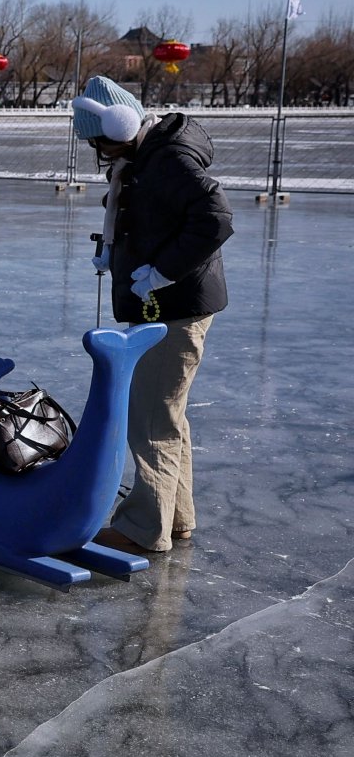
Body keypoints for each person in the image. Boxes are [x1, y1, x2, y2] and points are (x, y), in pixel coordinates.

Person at [76, 75, 232, 556]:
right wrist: (113, 248)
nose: (99, 151)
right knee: (168, 415)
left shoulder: (168, 159)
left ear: (120, 125)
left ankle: (144, 528)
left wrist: (162, 272)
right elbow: (144, 211)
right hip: (164, 306)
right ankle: (176, 517)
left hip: (176, 307)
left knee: (150, 417)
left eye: (99, 141)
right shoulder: (145, 156)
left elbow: (215, 217)